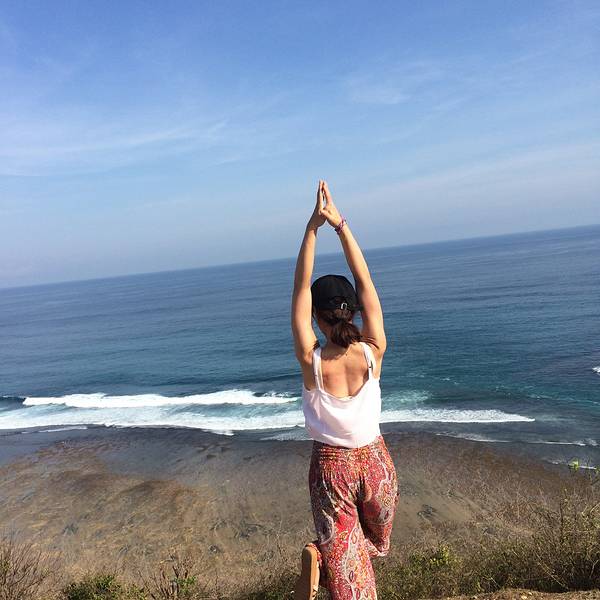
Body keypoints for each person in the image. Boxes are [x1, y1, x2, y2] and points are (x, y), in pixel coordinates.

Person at [291, 180, 399, 600]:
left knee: (349, 571)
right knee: (377, 544)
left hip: (331, 469)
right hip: (376, 464)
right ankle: (336, 551)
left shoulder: (313, 362)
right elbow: (365, 280)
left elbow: (301, 289)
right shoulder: (374, 351)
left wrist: (311, 229)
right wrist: (341, 225)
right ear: (353, 312)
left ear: (316, 318)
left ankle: (329, 552)